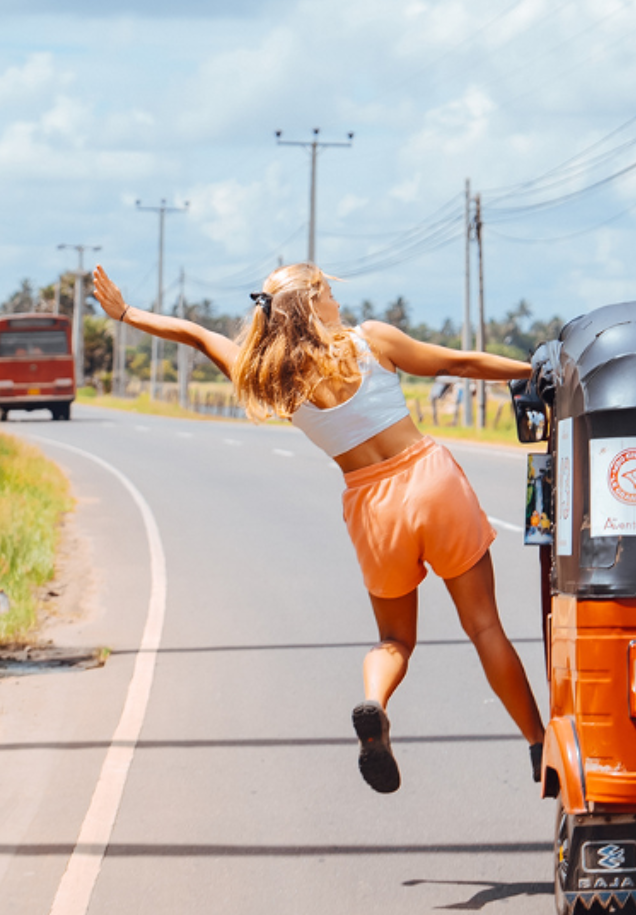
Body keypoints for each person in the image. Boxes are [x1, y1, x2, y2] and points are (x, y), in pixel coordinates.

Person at [89, 262, 545, 794]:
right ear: (312, 304)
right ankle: (538, 743)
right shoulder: (371, 340)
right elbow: (459, 363)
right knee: (485, 627)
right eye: (329, 293)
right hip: (431, 481)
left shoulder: (274, 379)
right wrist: (534, 371)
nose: (338, 303)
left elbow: (197, 335)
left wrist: (127, 313)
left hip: (372, 507)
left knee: (395, 639)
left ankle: (375, 702)